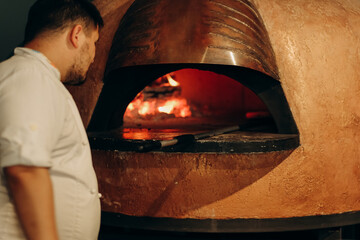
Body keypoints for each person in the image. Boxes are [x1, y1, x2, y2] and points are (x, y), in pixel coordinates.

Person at [0, 0, 104, 239]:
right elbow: (25, 170)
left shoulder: (33, 77)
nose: (94, 56)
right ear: (76, 34)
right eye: (94, 43)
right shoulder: (30, 77)